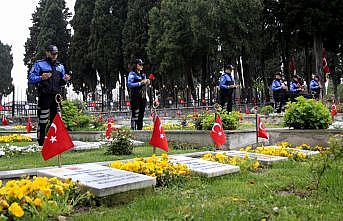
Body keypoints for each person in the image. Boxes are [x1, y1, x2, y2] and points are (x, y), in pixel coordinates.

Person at [28, 45, 70, 146]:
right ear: (47, 53)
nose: (54, 55)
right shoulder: (39, 64)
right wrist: (41, 77)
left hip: (56, 97)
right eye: (52, 53)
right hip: (44, 96)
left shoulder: (60, 66)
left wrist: (65, 79)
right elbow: (30, 77)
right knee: (43, 120)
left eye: (56, 53)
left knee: (57, 120)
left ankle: (55, 143)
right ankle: (41, 143)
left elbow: (61, 82)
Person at [127, 59, 150, 130]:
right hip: (135, 96)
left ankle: (140, 129)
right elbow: (129, 84)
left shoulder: (143, 74)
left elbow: (144, 83)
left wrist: (147, 82)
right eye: (140, 64)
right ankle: (134, 129)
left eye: (142, 64)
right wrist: (140, 83)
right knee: (135, 113)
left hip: (142, 96)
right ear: (136, 65)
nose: (142, 66)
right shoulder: (132, 74)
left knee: (141, 114)